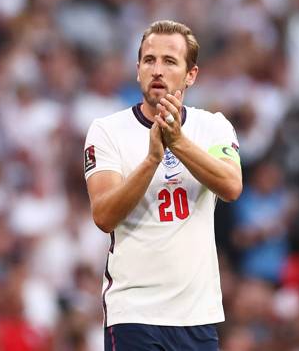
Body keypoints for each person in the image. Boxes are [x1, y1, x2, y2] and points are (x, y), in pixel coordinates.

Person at [84, 20, 243, 350]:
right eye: (149, 60)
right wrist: (151, 159)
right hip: (134, 312)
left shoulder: (213, 127)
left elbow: (231, 186)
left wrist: (178, 143)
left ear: (191, 75)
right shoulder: (107, 131)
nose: (157, 70)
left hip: (197, 314)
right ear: (138, 70)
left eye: (169, 61)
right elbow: (103, 215)